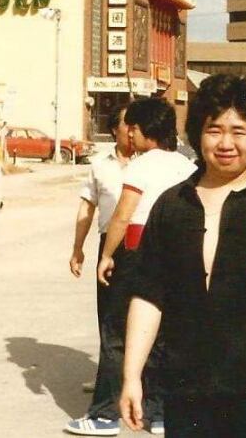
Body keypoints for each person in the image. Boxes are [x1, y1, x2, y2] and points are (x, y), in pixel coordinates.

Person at [119, 74, 246, 438]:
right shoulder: (171, 206)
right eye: (215, 129)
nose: (226, 143)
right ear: (198, 133)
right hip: (185, 389)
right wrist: (132, 376)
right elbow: (148, 296)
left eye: (239, 131)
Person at [97, 97, 197, 435]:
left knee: (117, 333)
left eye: (132, 129)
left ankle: (106, 414)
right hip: (177, 255)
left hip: (137, 254)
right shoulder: (186, 165)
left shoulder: (139, 166)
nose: (129, 136)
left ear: (140, 130)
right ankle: (160, 413)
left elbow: (123, 215)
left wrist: (107, 255)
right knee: (166, 334)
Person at [65, 105, 133, 436]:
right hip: (111, 247)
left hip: (147, 244)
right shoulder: (99, 166)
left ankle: (122, 405)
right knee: (111, 324)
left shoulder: (151, 163)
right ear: (116, 130)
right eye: (128, 125)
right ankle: (108, 395)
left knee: (147, 326)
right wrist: (77, 248)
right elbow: (86, 208)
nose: (134, 130)